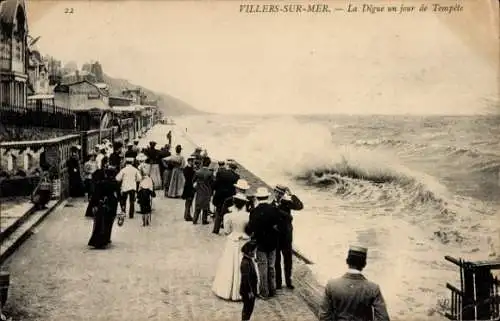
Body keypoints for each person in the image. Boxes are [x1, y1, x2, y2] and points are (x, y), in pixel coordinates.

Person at [318, 246, 390, 321]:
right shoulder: (373, 288)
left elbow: (324, 316)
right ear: (364, 264)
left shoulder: (332, 285)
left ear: (347, 261)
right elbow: (383, 318)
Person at [212, 193, 251, 301]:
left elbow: (227, 231)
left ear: (234, 202)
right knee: (244, 264)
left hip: (233, 241)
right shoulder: (248, 216)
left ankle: (228, 289)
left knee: (229, 264)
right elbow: (249, 229)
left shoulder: (228, 216)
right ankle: (245, 290)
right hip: (244, 241)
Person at [245, 187, 280, 299]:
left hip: (261, 243)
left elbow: (250, 228)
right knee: (271, 266)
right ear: (267, 196)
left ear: (257, 197)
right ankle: (273, 289)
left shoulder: (254, 211)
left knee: (262, 267)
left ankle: (264, 292)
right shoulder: (274, 209)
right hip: (273, 242)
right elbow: (278, 225)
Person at [271, 184, 303, 290]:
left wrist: (291, 194)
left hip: (287, 237)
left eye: (281, 193)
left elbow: (299, 206)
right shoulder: (270, 205)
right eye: (277, 192)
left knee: (288, 260)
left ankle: (288, 281)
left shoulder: (287, 203)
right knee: (276, 261)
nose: (279, 195)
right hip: (276, 237)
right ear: (274, 192)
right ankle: (278, 283)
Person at [88, 165, 120, 249]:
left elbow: (96, 195)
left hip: (101, 203)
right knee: (109, 222)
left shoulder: (101, 183)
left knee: (99, 222)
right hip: (112, 203)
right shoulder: (115, 183)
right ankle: (107, 238)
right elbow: (118, 195)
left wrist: (94, 205)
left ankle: (98, 240)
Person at [212, 160, 240, 233]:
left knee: (218, 211)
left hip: (220, 195)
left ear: (228, 166)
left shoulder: (220, 173)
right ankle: (226, 228)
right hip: (229, 197)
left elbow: (215, 184)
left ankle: (216, 229)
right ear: (235, 168)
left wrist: (215, 190)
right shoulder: (237, 177)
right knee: (227, 212)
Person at [240, 240, 260, 321]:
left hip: (251, 290)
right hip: (247, 292)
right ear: (249, 252)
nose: (255, 252)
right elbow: (245, 279)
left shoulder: (248, 260)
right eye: (254, 251)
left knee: (249, 309)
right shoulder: (245, 263)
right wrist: (249, 291)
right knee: (247, 309)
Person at [192, 157, 213, 225]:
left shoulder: (198, 172)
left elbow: (193, 181)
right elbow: (212, 183)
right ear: (209, 164)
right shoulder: (210, 173)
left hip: (199, 192)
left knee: (197, 206)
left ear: (202, 163)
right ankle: (204, 220)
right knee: (205, 207)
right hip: (207, 192)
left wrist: (197, 187)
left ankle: (195, 220)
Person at [181, 156, 196, 221]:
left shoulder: (186, 169)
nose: (193, 162)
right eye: (192, 161)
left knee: (188, 202)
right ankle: (187, 216)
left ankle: (187, 215)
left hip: (187, 186)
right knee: (189, 201)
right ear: (189, 161)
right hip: (190, 187)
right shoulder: (190, 170)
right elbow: (191, 178)